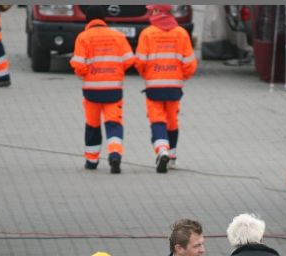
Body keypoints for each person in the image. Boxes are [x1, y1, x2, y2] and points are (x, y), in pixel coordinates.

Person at [70, 5, 135, 173]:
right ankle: (114, 155)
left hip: (92, 91)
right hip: (113, 90)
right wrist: (116, 70)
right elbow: (129, 60)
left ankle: (91, 161)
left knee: (92, 126)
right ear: (103, 19)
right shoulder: (118, 36)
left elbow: (78, 64)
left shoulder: (83, 37)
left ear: (88, 20)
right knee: (114, 124)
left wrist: (83, 73)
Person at [136, 4, 198, 173]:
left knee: (157, 120)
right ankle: (171, 157)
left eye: (152, 9)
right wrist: (181, 76)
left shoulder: (147, 33)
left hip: (154, 85)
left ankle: (162, 150)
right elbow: (190, 63)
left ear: (158, 11)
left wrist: (145, 74)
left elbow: (140, 61)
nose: (150, 12)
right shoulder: (181, 33)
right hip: (174, 85)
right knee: (172, 121)